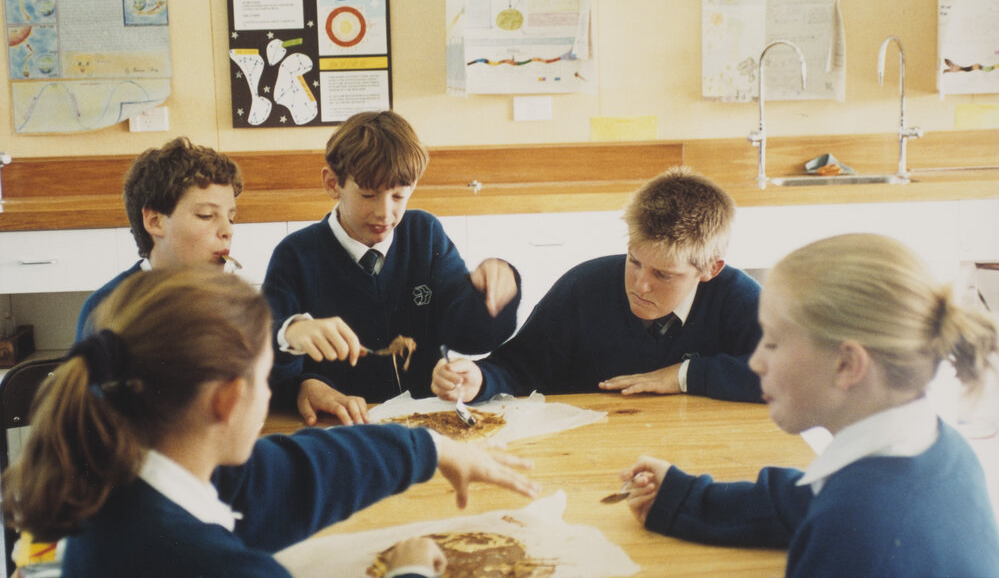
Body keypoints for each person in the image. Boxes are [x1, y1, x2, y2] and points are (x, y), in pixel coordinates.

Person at [4, 269, 539, 578]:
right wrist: (411, 570)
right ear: (229, 399)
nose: (269, 392)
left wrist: (429, 448)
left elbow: (296, 472)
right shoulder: (197, 561)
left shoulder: (126, 475)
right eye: (265, 380)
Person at [619, 234, 999, 578]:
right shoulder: (937, 450)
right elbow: (807, 498)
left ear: (847, 364)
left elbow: (838, 513)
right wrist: (684, 498)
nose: (755, 363)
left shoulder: (861, 532)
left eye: (773, 342)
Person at [262, 110, 521, 426]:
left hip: (428, 425)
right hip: (342, 430)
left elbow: (469, 335)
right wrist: (291, 340)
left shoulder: (425, 236)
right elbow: (262, 357)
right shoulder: (296, 256)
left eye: (399, 195)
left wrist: (491, 296)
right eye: (368, 195)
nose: (385, 212)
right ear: (333, 183)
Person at [432, 166, 763, 405]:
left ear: (710, 269)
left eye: (664, 274)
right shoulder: (583, 287)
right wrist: (480, 379)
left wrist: (684, 375)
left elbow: (798, 375)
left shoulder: (738, 298)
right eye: (634, 261)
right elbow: (521, 365)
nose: (641, 285)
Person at [74, 136, 243, 340]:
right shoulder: (107, 308)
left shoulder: (230, 301)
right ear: (155, 221)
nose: (228, 231)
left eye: (231, 218)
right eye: (206, 215)